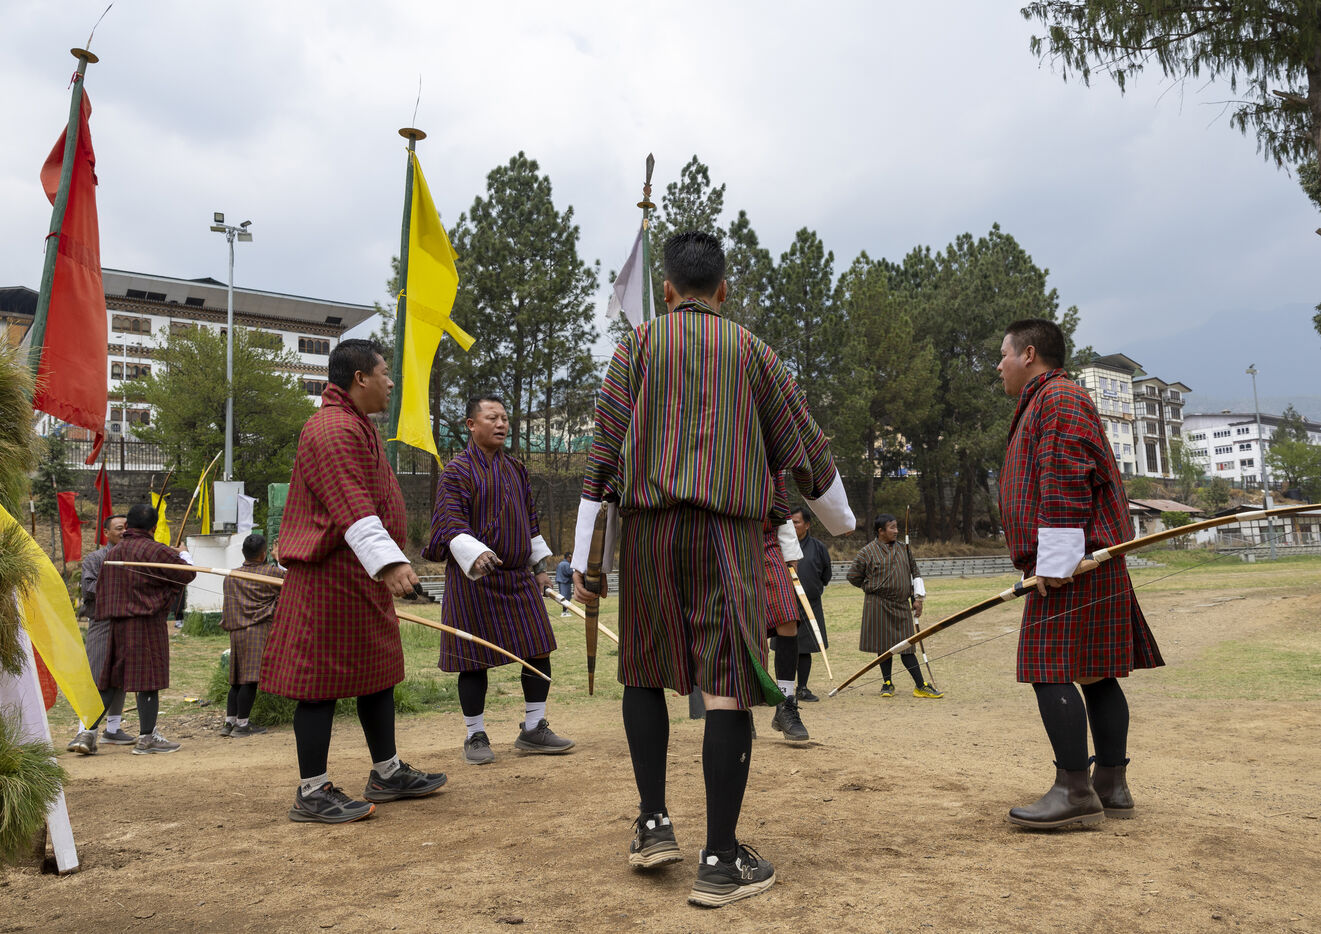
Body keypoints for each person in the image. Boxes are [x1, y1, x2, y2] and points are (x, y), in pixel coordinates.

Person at [572, 231, 854, 907]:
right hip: (726, 535)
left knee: (643, 670)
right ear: (723, 290)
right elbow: (803, 447)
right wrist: (841, 522)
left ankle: (652, 824)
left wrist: (586, 559)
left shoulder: (637, 347)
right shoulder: (753, 351)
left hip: (647, 534)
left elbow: (601, 455)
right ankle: (720, 861)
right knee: (727, 682)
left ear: (667, 290)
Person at [260, 338, 447, 824]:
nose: (391, 382)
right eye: (385, 373)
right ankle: (312, 790)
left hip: (359, 577)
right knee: (318, 684)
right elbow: (350, 501)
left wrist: (382, 564)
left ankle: (387, 772)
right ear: (360, 378)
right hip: (329, 577)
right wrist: (389, 563)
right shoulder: (332, 428)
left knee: (377, 674)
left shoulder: (357, 425)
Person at [996, 318, 1163, 829]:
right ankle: (1110, 783)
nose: (998, 366)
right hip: (1076, 561)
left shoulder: (1059, 398)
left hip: (1075, 564)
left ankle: (1074, 790)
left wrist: (1055, 561)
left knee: (1048, 666)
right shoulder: (1047, 400)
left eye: (1003, 355)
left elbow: (1067, 476)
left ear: (1028, 354)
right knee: (1095, 670)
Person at [423, 394, 572, 766]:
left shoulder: (516, 468)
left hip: (517, 576)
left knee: (539, 647)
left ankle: (534, 728)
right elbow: (449, 521)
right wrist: (475, 552)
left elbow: (530, 521)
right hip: (473, 578)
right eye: (492, 418)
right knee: (472, 660)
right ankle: (475, 734)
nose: (501, 424)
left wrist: (540, 568)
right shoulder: (456, 470)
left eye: (504, 418)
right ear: (471, 425)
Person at [94, 503, 196, 755]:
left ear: (128, 525)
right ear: (154, 527)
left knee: (111, 680)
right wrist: (183, 554)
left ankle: (86, 734)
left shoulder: (114, 551)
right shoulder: (155, 549)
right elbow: (187, 574)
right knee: (148, 679)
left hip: (117, 624)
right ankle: (146, 738)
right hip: (146, 623)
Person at [847, 514, 942, 699]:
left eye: (897, 527)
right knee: (883, 646)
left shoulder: (904, 549)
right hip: (878, 604)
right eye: (892, 527)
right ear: (881, 531)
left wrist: (918, 598)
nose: (896, 531)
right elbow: (852, 576)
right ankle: (887, 683)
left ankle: (920, 685)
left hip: (901, 604)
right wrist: (868, 586)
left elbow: (915, 572)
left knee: (907, 646)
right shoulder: (867, 552)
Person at [68, 514, 133, 754]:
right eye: (119, 528)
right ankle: (84, 731)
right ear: (106, 533)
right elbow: (89, 588)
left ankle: (113, 729)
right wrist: (120, 586)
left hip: (126, 622)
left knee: (120, 676)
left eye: (127, 528)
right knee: (97, 676)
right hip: (102, 622)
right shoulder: (95, 558)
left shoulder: (134, 558)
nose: (124, 532)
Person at [221, 533, 284, 738]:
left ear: (243, 552)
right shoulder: (271, 572)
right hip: (257, 630)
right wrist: (279, 558)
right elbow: (292, 582)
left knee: (237, 679)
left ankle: (229, 722)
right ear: (264, 554)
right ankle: (242, 724)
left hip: (236, 631)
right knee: (249, 679)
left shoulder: (231, 576)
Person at [763, 475, 810, 741]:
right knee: (741, 626)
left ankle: (785, 703)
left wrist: (790, 555)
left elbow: (781, 506)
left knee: (788, 619)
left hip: (769, 545)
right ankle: (740, 707)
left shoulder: (772, 466)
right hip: (730, 541)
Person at [788, 506, 831, 702]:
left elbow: (826, 575)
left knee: (804, 648)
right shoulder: (780, 545)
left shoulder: (818, 547)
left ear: (807, 525)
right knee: (786, 646)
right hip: (786, 602)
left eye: (796, 522)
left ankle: (802, 688)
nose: (792, 526)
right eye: (789, 522)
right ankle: (785, 689)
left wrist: (812, 589)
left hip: (810, 604)